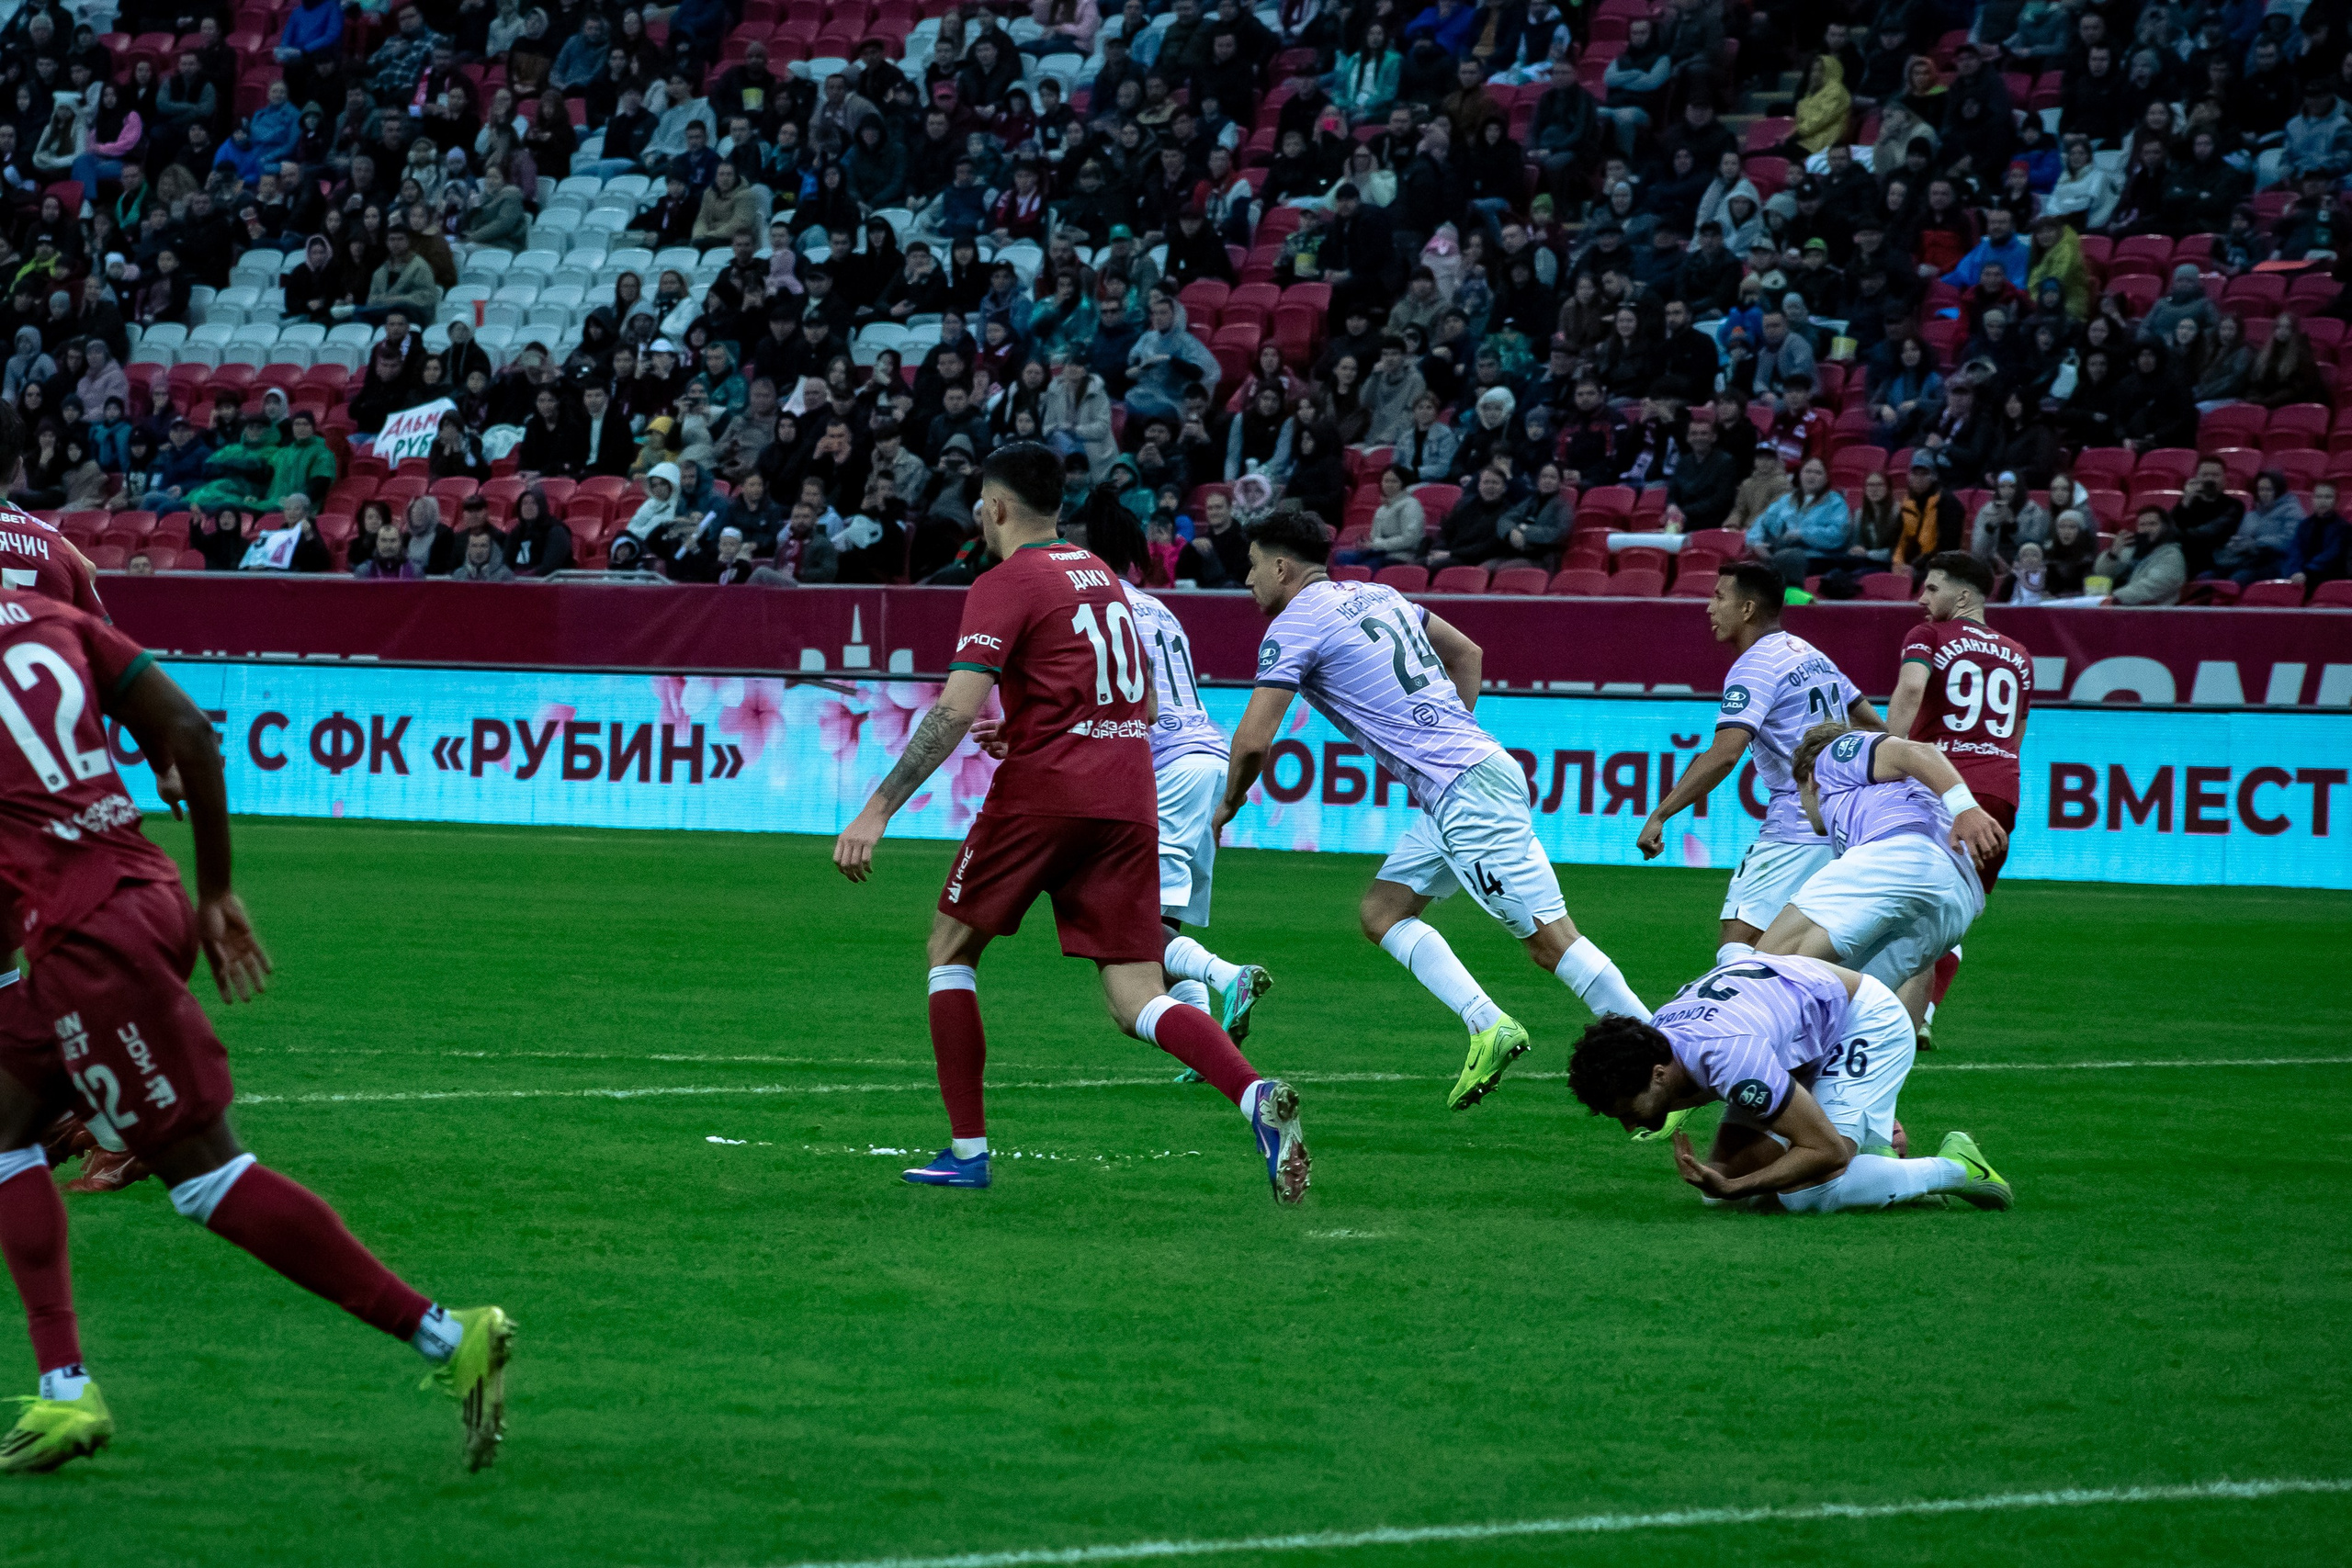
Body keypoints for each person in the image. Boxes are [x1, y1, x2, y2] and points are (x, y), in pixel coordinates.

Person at [0, 587, 510, 1472]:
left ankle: (445, 1332)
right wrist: (216, 888)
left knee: (204, 1176)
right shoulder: (51, 617)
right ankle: (66, 1391)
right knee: (2, 1129)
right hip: (139, 891)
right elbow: (191, 734)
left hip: (89, 939)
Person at [831, 443, 1307, 1203]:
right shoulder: (1108, 581)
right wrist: (1039, 726)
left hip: (1045, 797)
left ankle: (967, 1151)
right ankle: (1254, 1097)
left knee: (950, 947)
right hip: (1126, 798)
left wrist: (876, 810)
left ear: (994, 507)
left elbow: (954, 709)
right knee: (1136, 997)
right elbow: (1142, 708)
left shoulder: (1004, 580)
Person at [1216, 512, 1651, 1113]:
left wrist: (1227, 808)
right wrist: (1454, 737)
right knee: (1383, 910)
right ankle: (1488, 1024)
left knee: (1552, 942)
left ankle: (1675, 1057)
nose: (1248, 579)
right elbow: (1467, 652)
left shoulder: (1294, 624)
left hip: (1465, 793)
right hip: (1463, 783)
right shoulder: (1380, 593)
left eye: (1253, 564)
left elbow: (1253, 742)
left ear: (1282, 567)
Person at [1635, 562, 1883, 1040]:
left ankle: (1719, 1054)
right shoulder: (1809, 653)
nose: (1709, 607)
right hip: (1847, 824)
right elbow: (1871, 723)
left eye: (1719, 597)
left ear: (1747, 608)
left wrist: (1662, 813)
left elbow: (1725, 755)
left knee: (1739, 948)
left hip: (1795, 825)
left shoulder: (1754, 666)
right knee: (1800, 955)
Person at [1565, 953, 2013, 1213]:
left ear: (1659, 1075)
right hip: (1799, 1025)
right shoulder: (1661, 1038)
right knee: (1718, 1194)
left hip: (1862, 1019)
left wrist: (1740, 1185)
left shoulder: (1730, 1058)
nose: (1629, 1127)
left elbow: (1824, 1151)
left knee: (1810, 1190)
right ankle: (1874, 1146)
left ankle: (1958, 1168)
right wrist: (1725, 1182)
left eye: (1627, 1111)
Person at [1881, 551, 2033, 1043]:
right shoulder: (2020, 654)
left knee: (1901, 905)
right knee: (1950, 909)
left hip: (1940, 789)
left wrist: (1884, 754)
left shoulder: (1926, 637)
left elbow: (1909, 691)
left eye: (1931, 589)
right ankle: (1921, 1014)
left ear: (1962, 595)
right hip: (2000, 793)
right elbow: (2017, 733)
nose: (1922, 600)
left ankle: (1887, 1028)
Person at [1114, 588, 1272, 1051]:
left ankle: (1229, 976)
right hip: (1207, 756)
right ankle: (1205, 1051)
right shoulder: (1156, 605)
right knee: (1166, 920)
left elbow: (1140, 700)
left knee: (1135, 925)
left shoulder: (1099, 604)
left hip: (1166, 767)